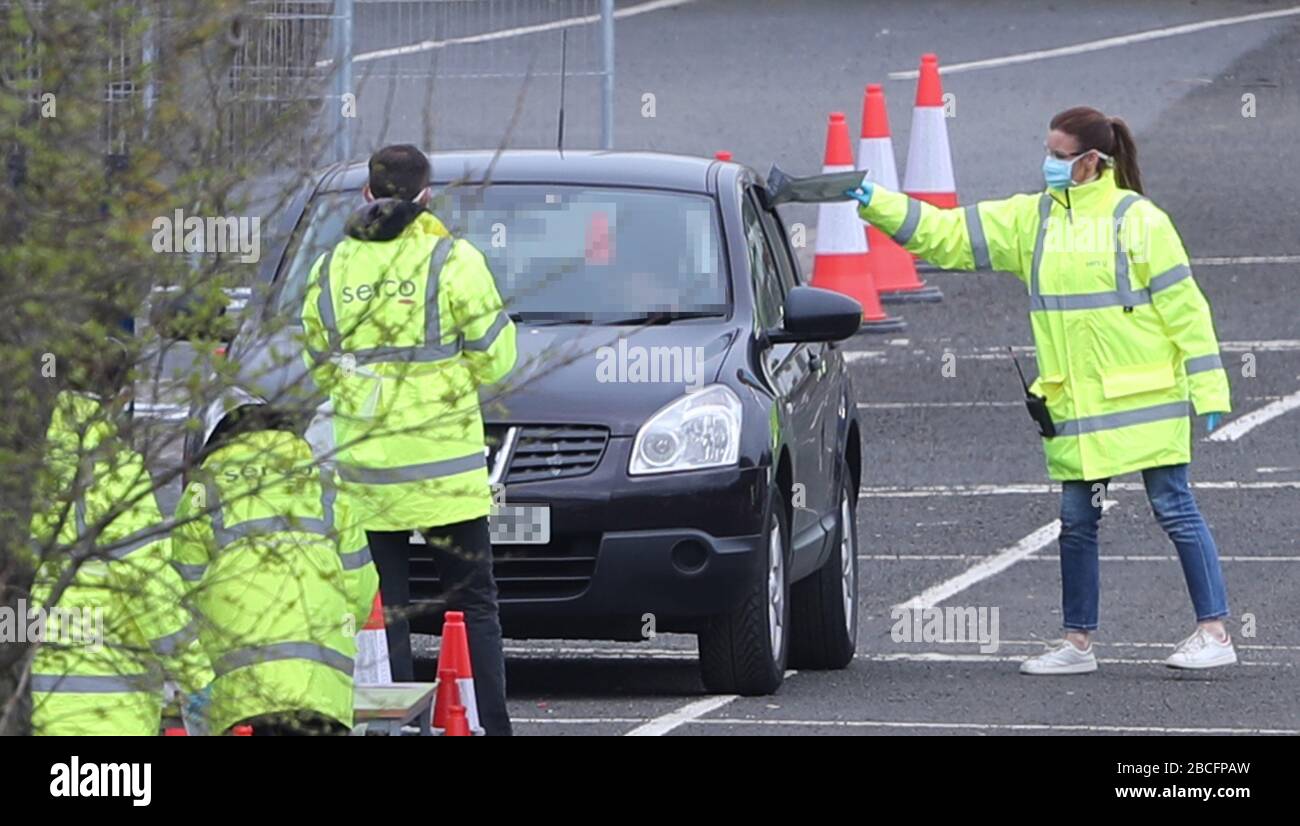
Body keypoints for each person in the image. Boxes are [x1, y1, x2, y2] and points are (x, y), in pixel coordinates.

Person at [848, 106, 1235, 674]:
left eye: (1058, 155)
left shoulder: (1139, 220)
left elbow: (1187, 310)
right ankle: (1078, 644)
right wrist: (874, 199)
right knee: (1077, 522)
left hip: (1145, 401)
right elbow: (946, 235)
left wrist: (1208, 387)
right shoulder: (1034, 220)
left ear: (1091, 162)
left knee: (1174, 507)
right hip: (1078, 410)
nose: (1048, 164)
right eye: (1048, 152)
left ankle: (1215, 632)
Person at [300, 145, 517, 734]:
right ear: (427, 195)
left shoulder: (331, 268)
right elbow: (498, 359)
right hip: (446, 475)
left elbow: (319, 364)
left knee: (383, 610)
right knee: (473, 606)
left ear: (366, 195)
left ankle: (393, 728)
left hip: (367, 476)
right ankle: (485, 727)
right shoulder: (454, 259)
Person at [28, 341, 213, 735]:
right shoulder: (116, 473)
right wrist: (195, 677)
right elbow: (148, 585)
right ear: (121, 395)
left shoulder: (20, 473)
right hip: (108, 711)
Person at [172, 393, 378, 735]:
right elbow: (360, 589)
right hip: (323, 685)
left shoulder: (203, 492)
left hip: (240, 690)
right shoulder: (327, 488)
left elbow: (179, 594)